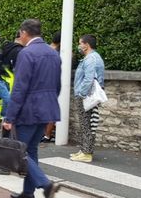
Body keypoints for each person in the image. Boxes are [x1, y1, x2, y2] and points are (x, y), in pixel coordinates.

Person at [3, 19, 60, 198]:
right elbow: (57, 85)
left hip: (28, 110)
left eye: (20, 34)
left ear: (24, 33)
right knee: (32, 150)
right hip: (47, 108)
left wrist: (10, 117)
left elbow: (19, 88)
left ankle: (45, 184)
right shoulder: (53, 54)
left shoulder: (27, 53)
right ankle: (28, 193)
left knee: (22, 153)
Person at [0, 31, 23, 175]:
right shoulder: (21, 52)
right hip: (13, 97)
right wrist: (9, 114)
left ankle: (7, 164)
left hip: (7, 92)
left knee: (9, 134)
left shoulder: (5, 49)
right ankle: (11, 164)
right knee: (14, 134)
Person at [70, 34, 105, 163]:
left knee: (86, 124)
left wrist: (81, 94)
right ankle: (84, 150)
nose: (79, 46)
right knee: (87, 123)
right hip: (88, 96)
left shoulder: (91, 59)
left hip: (86, 96)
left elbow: (88, 79)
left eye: (80, 43)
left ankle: (86, 153)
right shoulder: (92, 58)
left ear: (86, 45)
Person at [41, 31, 62, 143]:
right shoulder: (58, 53)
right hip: (52, 85)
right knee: (51, 112)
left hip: (42, 84)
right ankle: (47, 135)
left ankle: (43, 134)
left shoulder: (45, 49)